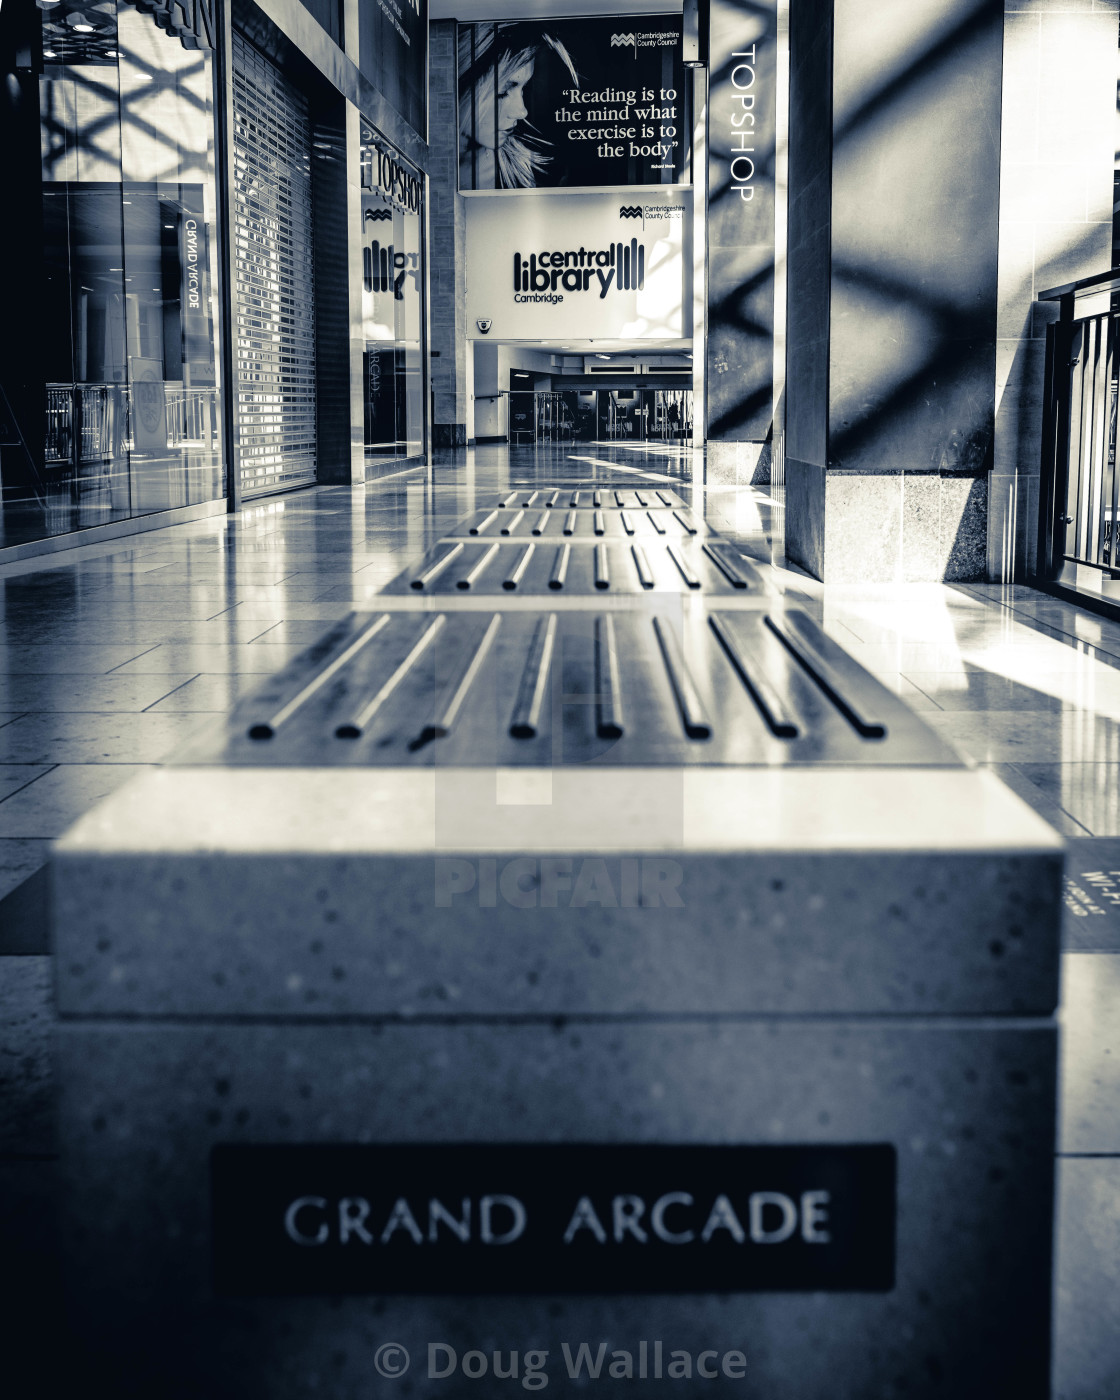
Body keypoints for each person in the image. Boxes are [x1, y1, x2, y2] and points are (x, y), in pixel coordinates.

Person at [458, 22, 579, 190]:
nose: (522, 111)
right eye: (503, 92)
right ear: (459, 84)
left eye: (524, 89)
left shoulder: (527, 176)